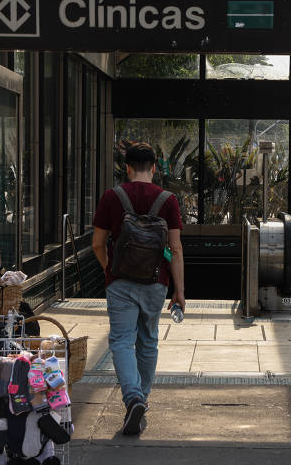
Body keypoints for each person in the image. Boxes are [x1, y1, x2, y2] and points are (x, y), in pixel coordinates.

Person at [92, 141, 185, 435]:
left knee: (121, 341)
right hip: (156, 281)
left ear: (127, 168)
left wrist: (110, 268)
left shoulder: (112, 196)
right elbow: (175, 248)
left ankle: (132, 398)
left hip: (120, 282)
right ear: (154, 168)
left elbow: (96, 243)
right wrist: (179, 291)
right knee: (148, 341)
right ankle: (140, 400)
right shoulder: (167, 200)